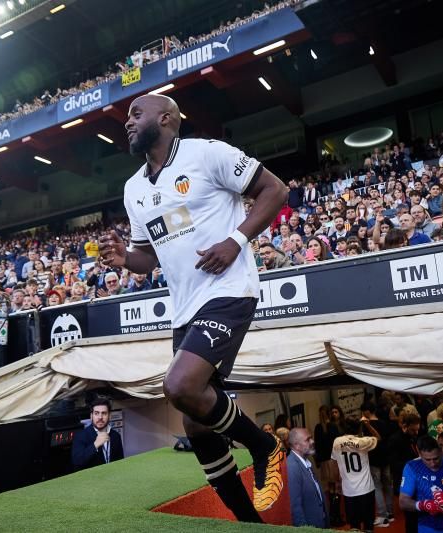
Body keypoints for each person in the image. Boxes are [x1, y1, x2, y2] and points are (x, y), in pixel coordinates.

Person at [99, 94, 287, 521]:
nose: (127, 122)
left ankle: (263, 446)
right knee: (195, 421)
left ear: (166, 118)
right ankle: (250, 522)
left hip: (229, 290)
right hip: (184, 309)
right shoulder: (134, 189)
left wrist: (234, 241)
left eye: (136, 113)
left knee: (180, 387)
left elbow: (275, 190)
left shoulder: (208, 154)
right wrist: (125, 260)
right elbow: (148, 258)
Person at [329, 417, 380, 532]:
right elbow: (378, 438)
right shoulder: (364, 441)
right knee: (368, 525)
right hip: (366, 489)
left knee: (354, 526)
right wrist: (368, 425)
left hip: (349, 491)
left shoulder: (337, 442)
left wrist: (337, 482)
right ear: (358, 428)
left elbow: (334, 464)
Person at [287, 427, 329, 528]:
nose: (312, 441)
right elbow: (295, 507)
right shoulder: (292, 466)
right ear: (296, 445)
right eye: (308, 439)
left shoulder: (305, 461)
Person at [71, 396, 124, 471]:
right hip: (91, 480)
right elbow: (77, 461)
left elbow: (120, 462)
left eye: (104, 413)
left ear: (109, 416)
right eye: (96, 413)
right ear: (91, 416)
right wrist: (95, 445)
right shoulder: (81, 436)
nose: (100, 417)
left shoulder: (116, 436)